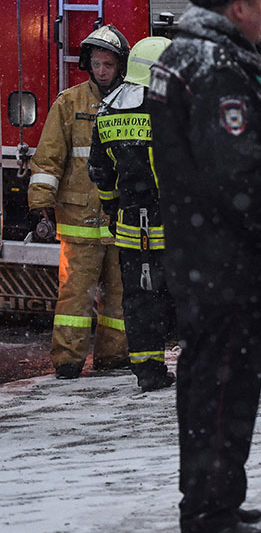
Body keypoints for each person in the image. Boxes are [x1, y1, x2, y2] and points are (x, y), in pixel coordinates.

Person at [148, 0, 261, 533]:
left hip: (202, 252)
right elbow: (238, 176)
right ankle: (209, 512)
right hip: (228, 259)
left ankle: (216, 497)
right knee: (223, 385)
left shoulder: (185, 57)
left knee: (212, 381)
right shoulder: (216, 69)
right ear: (237, 6)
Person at [29, 26, 130, 380]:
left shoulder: (132, 102)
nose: (102, 70)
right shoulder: (69, 103)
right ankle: (68, 361)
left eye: (108, 64)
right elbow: (48, 158)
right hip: (79, 219)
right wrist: (40, 201)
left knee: (118, 296)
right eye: (97, 64)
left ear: (121, 66)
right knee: (75, 297)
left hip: (119, 220)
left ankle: (113, 357)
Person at [88, 36, 177, 393]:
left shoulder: (107, 110)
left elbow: (100, 171)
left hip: (130, 227)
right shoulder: (166, 110)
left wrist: (113, 205)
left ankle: (148, 370)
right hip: (173, 226)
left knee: (141, 298)